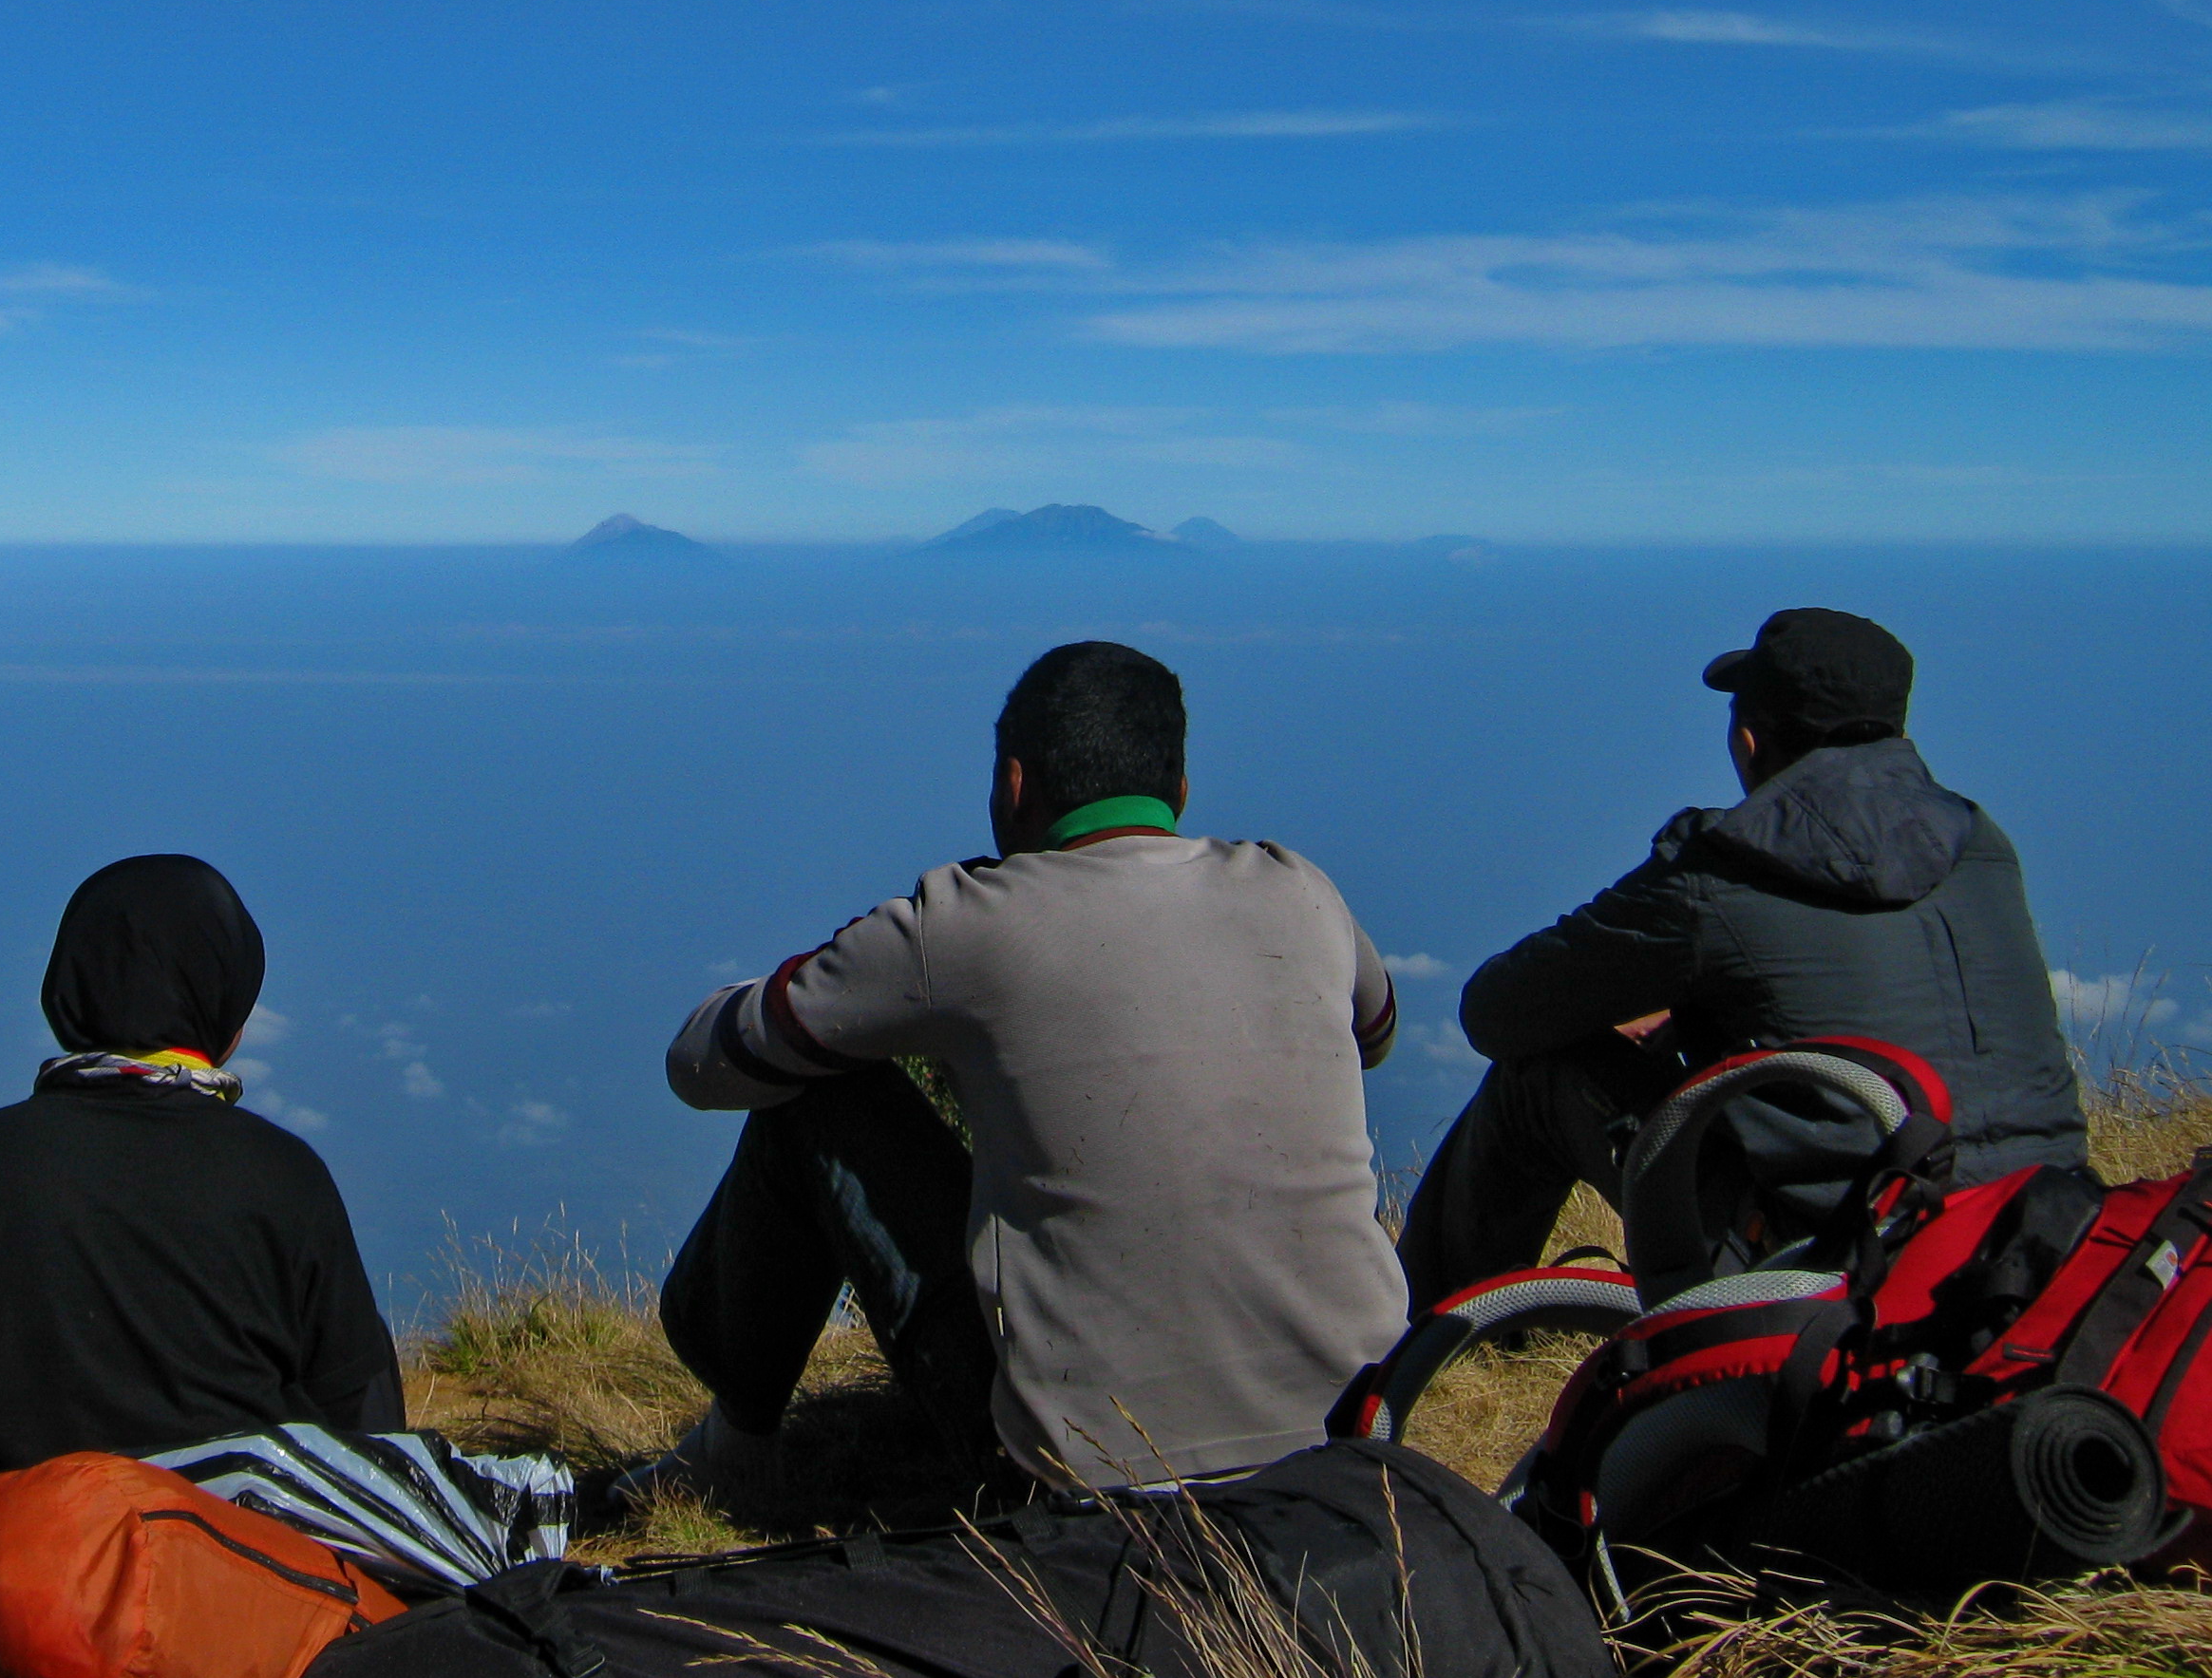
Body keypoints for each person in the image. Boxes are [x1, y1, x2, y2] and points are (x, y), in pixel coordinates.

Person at [645, 640, 1409, 1507]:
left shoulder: (964, 924)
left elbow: (701, 1063)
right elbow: (1373, 1033)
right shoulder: (1301, 890)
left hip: (1086, 1484)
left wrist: (849, 986)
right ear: (1179, 793)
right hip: (1359, 1444)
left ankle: (735, 1450)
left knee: (821, 1094)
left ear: (1013, 784)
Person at [1399, 607, 2088, 1314]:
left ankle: (1426, 1333)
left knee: (1539, 1075)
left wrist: (1658, 990)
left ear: (1751, 741)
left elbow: (1499, 1012)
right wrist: (1706, 1009)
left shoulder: (1718, 875)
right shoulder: (1981, 844)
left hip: (1836, 1263)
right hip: (2042, 1238)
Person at [0, 854, 403, 1487]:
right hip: (236, 1558)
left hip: (25, 1559)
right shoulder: (282, 1173)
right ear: (222, 997)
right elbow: (359, 1415)